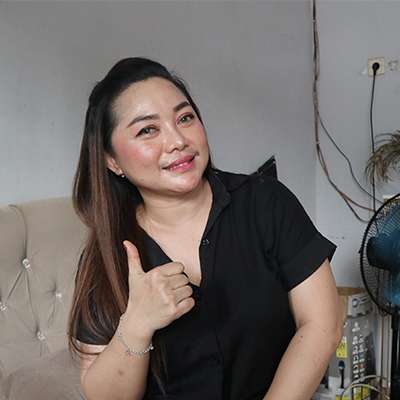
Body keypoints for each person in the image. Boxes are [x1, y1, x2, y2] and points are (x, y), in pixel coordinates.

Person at [68, 57, 343, 400]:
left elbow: (322, 324)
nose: (177, 140)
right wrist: (137, 324)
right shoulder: (107, 255)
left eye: (185, 118)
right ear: (111, 160)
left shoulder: (266, 203)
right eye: (147, 130)